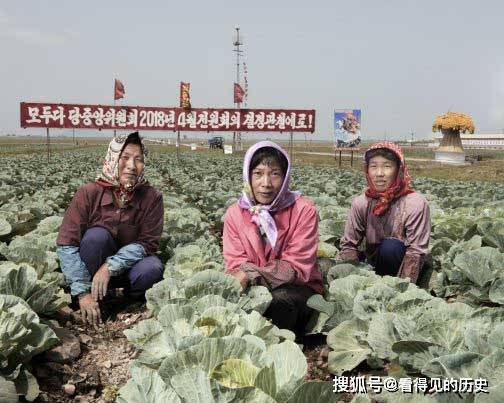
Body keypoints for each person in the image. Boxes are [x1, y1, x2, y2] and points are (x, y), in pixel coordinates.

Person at [57, 132, 164, 326]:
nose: (131, 166)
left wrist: (109, 267)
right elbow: (66, 245)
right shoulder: (88, 193)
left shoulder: (152, 197)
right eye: (125, 158)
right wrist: (82, 292)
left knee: (153, 268)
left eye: (138, 159)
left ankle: (127, 302)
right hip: (90, 272)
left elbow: (148, 243)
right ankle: (93, 299)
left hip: (129, 270)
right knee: (96, 237)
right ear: (112, 158)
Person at [222, 141, 323, 337]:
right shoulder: (234, 214)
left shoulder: (304, 210)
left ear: (285, 178)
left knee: (278, 301)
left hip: (297, 289)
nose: (266, 183)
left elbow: (295, 267)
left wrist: (251, 274)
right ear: (248, 176)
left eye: (274, 174)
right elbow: (235, 262)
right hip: (251, 289)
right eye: (258, 173)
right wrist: (246, 278)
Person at [339, 141, 431, 284]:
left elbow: (416, 252)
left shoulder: (415, 203)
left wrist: (402, 289)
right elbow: (349, 245)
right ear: (367, 170)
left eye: (387, 166)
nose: (379, 173)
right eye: (373, 166)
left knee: (390, 247)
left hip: (404, 267)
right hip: (372, 265)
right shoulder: (361, 203)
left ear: (399, 170)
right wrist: (352, 279)